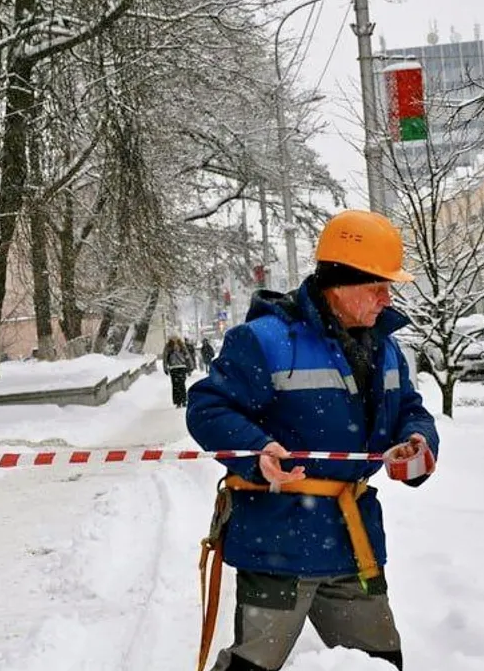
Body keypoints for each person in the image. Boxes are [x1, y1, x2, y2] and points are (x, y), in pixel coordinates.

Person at [186, 210, 440, 671]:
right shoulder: (264, 341)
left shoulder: (386, 347)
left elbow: (410, 410)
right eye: (377, 287)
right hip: (278, 539)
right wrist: (256, 449)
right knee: (253, 664)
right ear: (340, 283)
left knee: (381, 661)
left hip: (352, 540)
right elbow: (207, 408)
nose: (387, 299)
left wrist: (417, 442)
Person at [163, 335, 193, 407]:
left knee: (180, 384)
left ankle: (182, 401)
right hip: (174, 368)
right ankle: (179, 401)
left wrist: (190, 366)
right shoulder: (169, 346)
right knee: (176, 385)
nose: (174, 340)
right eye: (173, 338)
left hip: (180, 367)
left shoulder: (181, 345)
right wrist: (165, 368)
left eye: (175, 338)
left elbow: (187, 356)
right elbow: (165, 357)